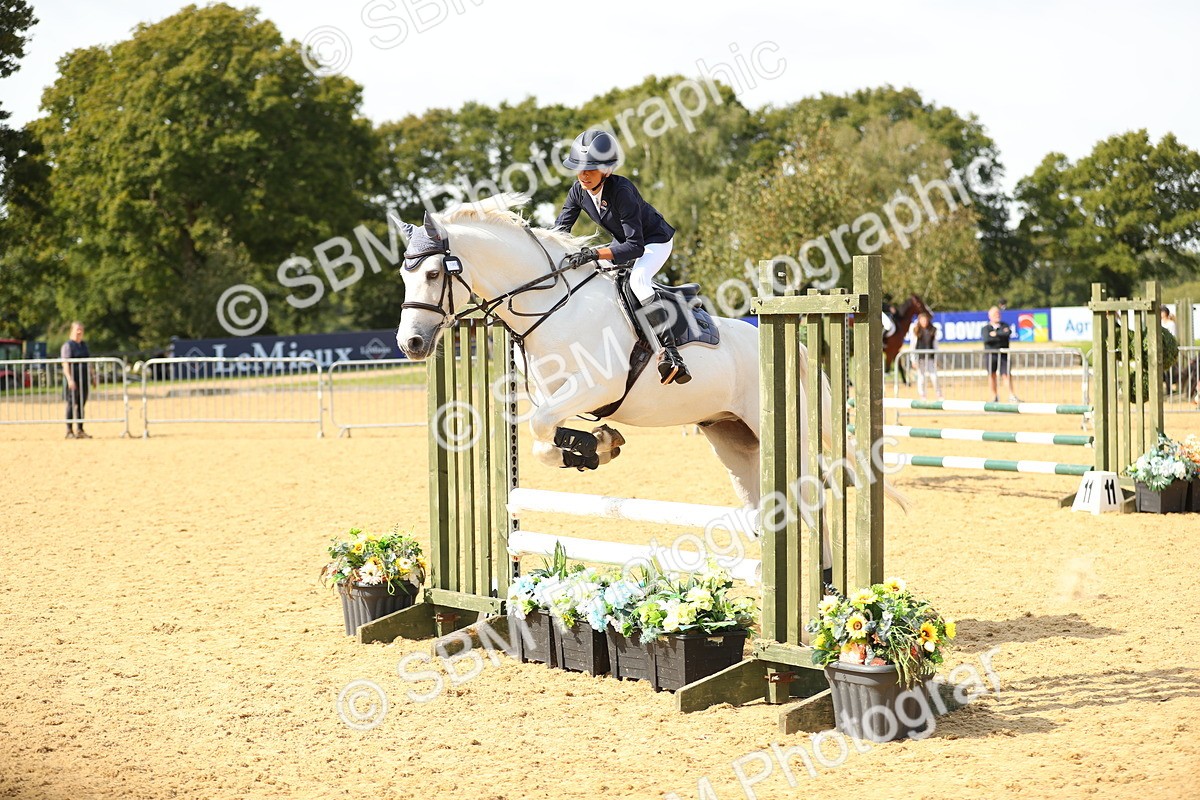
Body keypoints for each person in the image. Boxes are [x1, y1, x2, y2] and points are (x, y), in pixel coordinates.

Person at [553, 129, 689, 385]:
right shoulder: (578, 191)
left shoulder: (622, 190)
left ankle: (670, 352)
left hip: (654, 241)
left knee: (638, 281)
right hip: (624, 242)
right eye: (579, 168)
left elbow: (635, 247)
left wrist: (595, 253)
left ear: (607, 169)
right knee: (586, 273)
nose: (583, 174)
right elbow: (560, 230)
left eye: (590, 169)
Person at [61, 321, 95, 439]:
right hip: (73, 379)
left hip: (84, 378)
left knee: (81, 404)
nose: (79, 332)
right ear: (72, 330)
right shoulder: (68, 346)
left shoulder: (84, 345)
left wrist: (93, 376)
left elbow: (88, 362)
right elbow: (65, 364)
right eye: (77, 330)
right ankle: (69, 430)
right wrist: (69, 379)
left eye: (81, 330)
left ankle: (80, 430)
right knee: (71, 404)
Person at [982, 306, 1019, 403]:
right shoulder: (986, 328)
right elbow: (987, 339)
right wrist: (1000, 335)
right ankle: (994, 396)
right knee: (992, 375)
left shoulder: (1004, 325)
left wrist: (996, 334)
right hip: (991, 355)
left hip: (1003, 355)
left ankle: (1011, 395)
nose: (997, 316)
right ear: (990, 316)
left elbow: (1007, 334)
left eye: (998, 314)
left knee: (1006, 374)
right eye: (994, 314)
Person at [912, 311, 942, 399]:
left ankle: (938, 393)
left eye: (925, 320)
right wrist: (913, 359)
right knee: (921, 377)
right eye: (922, 320)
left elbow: (935, 345)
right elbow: (913, 345)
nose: (924, 322)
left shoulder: (933, 330)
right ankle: (922, 394)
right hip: (920, 357)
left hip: (930, 357)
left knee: (934, 376)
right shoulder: (916, 331)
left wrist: (937, 357)